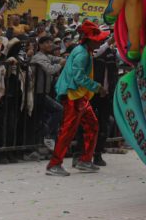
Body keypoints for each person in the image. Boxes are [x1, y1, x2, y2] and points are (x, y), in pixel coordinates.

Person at [45, 21, 108, 176]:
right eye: (97, 38)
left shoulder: (84, 51)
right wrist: (97, 87)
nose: (100, 41)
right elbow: (78, 76)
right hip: (74, 96)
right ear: (90, 40)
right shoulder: (81, 53)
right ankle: (54, 164)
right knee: (68, 131)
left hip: (79, 96)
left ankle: (85, 160)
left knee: (92, 125)